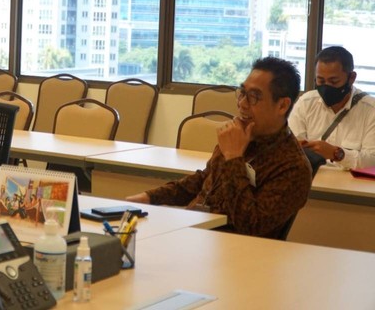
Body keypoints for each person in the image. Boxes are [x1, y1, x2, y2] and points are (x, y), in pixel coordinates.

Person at [126, 57, 312, 239]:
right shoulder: (240, 134)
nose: (242, 104)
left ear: (282, 105)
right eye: (242, 93)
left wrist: (234, 158)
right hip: (192, 233)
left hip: (230, 251)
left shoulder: (293, 167)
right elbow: (204, 179)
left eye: (254, 97)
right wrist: (149, 197)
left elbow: (250, 225)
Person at [289, 46, 375, 169]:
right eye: (321, 81)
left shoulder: (371, 110)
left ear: (351, 78)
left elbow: (372, 161)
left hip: (350, 186)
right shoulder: (306, 103)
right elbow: (291, 149)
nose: (326, 87)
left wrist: (336, 153)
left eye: (334, 81)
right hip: (310, 182)